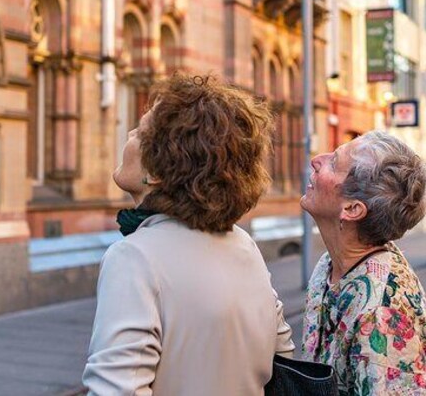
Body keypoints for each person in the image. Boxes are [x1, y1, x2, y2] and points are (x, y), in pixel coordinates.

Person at [82, 74, 294, 395]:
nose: (129, 134)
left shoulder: (136, 257)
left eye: (140, 132)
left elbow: (115, 389)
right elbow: (283, 355)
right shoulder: (244, 246)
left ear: (154, 172)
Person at [300, 130, 426, 395]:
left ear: (353, 209)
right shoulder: (329, 265)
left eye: (334, 162)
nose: (316, 159)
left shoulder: (382, 314)